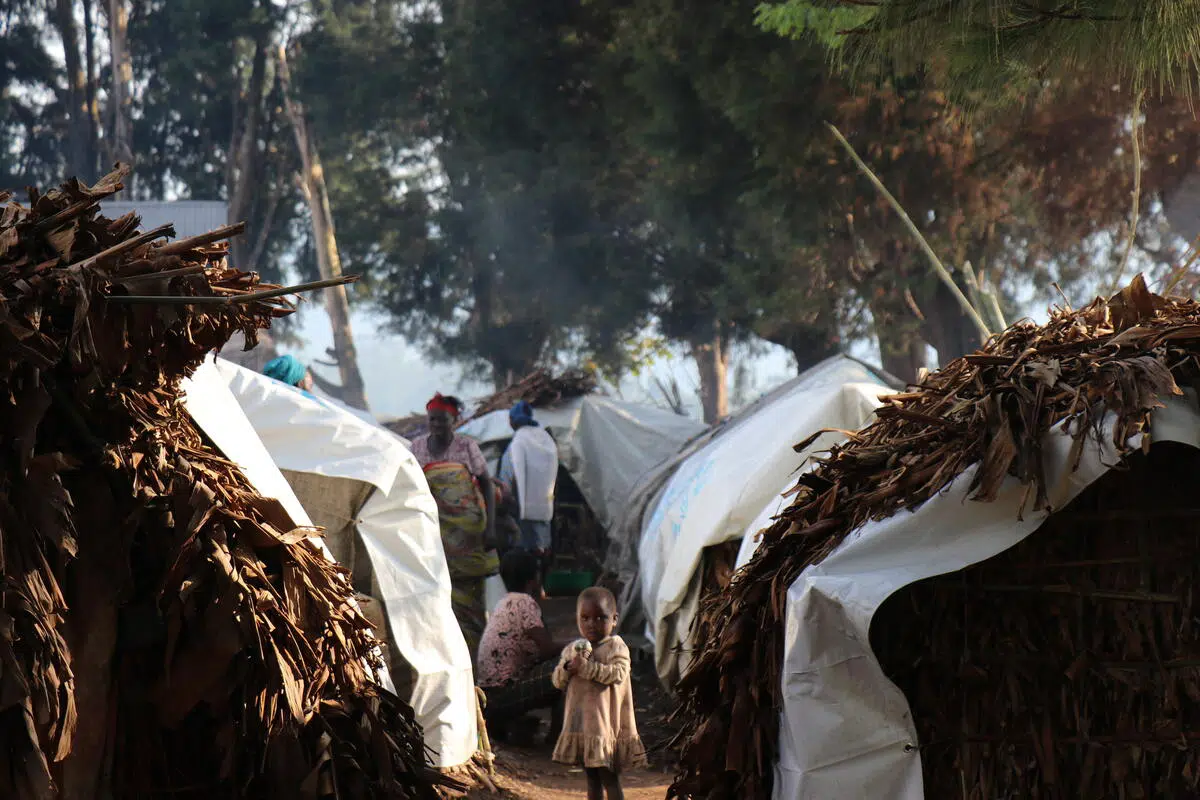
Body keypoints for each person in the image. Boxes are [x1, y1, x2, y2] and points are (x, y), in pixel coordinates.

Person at [410, 393, 497, 654]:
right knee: (442, 597)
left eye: (442, 420)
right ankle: (451, 655)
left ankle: (476, 658)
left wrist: (490, 526)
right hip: (437, 535)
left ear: (454, 420)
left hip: (470, 533)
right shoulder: (417, 449)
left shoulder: (467, 446)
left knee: (472, 600)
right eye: (432, 419)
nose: (436, 424)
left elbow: (487, 485)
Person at [552, 587, 646, 800]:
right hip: (583, 729)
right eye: (585, 618)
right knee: (591, 779)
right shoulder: (574, 649)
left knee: (609, 779)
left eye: (600, 618)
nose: (591, 624)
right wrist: (567, 668)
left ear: (614, 619)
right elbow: (558, 681)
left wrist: (586, 668)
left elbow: (618, 673)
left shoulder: (616, 647)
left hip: (606, 730)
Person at [476, 549, 567, 741]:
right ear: (533, 579)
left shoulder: (503, 602)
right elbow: (547, 649)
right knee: (569, 664)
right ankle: (556, 738)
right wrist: (577, 644)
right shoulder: (525, 603)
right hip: (503, 695)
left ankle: (510, 726)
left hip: (488, 696)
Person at [498, 400, 559, 558]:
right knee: (541, 550)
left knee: (522, 554)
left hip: (519, 509)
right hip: (543, 509)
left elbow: (511, 475)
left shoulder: (517, 443)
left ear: (512, 420)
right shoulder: (546, 439)